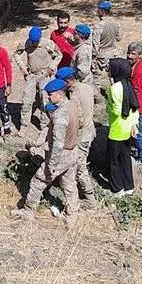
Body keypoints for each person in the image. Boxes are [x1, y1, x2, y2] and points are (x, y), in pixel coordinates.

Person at [12, 79, 80, 226]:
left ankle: (28, 211)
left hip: (61, 155)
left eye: (50, 94)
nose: (48, 97)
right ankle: (72, 217)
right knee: (69, 184)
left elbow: (57, 144)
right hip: (73, 151)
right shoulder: (72, 105)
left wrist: (51, 165)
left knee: (38, 180)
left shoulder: (60, 115)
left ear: (59, 94)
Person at [57, 66, 97, 209]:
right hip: (90, 128)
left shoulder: (74, 96)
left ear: (68, 81)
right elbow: (97, 99)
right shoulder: (86, 87)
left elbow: (78, 119)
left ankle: (89, 198)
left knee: (79, 165)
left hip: (82, 134)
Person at [14, 26, 61, 130]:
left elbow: (59, 55)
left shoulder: (48, 44)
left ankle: (44, 125)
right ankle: (24, 125)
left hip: (44, 75)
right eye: (32, 41)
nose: (34, 44)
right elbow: (16, 55)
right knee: (27, 101)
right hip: (31, 75)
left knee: (45, 101)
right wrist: (23, 68)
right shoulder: (25, 43)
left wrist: (51, 68)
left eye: (36, 41)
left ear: (40, 37)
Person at [106, 58, 140, 197]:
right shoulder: (129, 84)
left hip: (116, 129)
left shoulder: (114, 89)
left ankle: (117, 188)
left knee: (113, 161)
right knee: (125, 158)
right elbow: (134, 107)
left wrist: (107, 106)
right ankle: (129, 186)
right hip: (129, 128)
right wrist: (134, 125)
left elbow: (114, 110)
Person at [127, 41, 142, 166]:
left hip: (140, 106)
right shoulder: (136, 65)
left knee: (137, 133)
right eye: (128, 53)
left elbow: (134, 90)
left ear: (139, 55)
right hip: (139, 103)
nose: (129, 56)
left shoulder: (140, 70)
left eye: (133, 54)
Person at [91, 1, 122, 95]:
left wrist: (93, 57)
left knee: (96, 78)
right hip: (113, 52)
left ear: (101, 11)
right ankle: (117, 96)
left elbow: (95, 44)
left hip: (101, 54)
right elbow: (119, 37)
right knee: (113, 77)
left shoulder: (99, 26)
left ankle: (97, 97)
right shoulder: (116, 23)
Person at [71, 24, 94, 88]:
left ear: (80, 35)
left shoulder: (83, 51)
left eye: (75, 33)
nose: (73, 35)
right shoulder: (81, 46)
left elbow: (83, 71)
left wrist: (74, 80)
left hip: (83, 83)